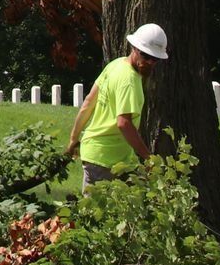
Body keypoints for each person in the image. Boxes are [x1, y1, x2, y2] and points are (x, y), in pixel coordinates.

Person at [66, 22, 168, 189]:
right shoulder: (130, 81)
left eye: (155, 58)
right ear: (134, 48)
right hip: (106, 159)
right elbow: (124, 123)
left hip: (106, 156)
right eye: (145, 56)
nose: (149, 62)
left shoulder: (116, 65)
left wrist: (73, 139)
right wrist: (148, 157)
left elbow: (88, 103)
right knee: (102, 213)